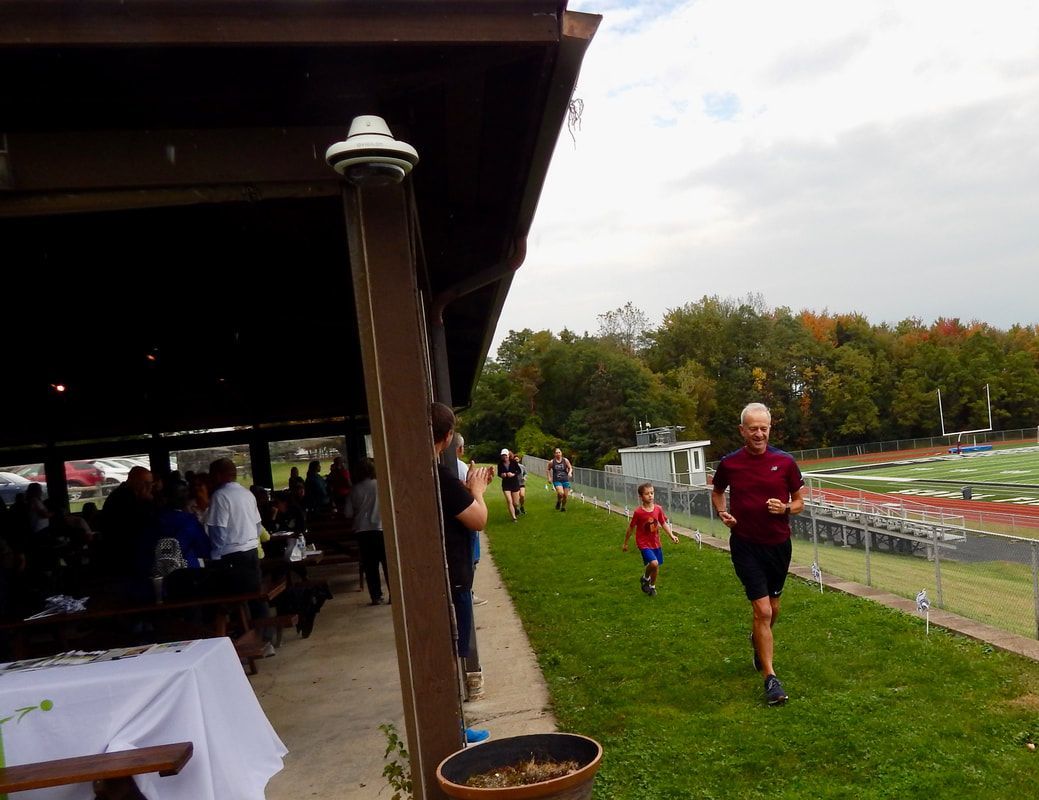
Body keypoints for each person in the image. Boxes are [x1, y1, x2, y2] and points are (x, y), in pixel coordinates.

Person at [711, 402, 805, 706]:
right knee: (762, 611)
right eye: (753, 428)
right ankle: (770, 678)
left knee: (774, 608)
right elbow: (717, 491)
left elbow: (800, 500)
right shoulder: (730, 463)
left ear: (769, 428)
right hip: (745, 544)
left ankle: (758, 643)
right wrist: (723, 512)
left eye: (763, 428)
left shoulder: (786, 462)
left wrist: (786, 508)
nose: (759, 433)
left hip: (778, 545)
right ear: (742, 431)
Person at [431, 402, 494, 743]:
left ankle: (451, 726)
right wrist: (478, 492)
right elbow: (478, 519)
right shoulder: (440, 476)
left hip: (441, 577)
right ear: (449, 436)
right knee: (452, 652)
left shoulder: (420, 471)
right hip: (452, 580)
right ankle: (452, 730)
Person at [206, 458, 274, 656]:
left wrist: (215, 555)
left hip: (232, 556)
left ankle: (232, 643)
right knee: (255, 597)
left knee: (223, 600)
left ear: (218, 475)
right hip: (252, 551)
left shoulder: (220, 496)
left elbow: (218, 530)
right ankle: (265, 639)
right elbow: (256, 525)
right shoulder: (247, 494)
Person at [622, 482, 679, 597]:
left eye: (652, 493)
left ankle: (652, 587)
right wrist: (625, 543)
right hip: (643, 543)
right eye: (647, 494)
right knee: (654, 563)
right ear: (641, 497)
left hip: (655, 542)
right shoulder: (638, 512)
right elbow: (631, 528)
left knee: (656, 566)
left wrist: (672, 535)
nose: (650, 496)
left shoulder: (658, 509)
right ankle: (645, 578)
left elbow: (663, 523)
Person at [344, 459, 388, 606]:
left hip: (363, 531)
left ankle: (376, 596)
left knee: (370, 566)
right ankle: (394, 594)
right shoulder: (380, 485)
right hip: (381, 528)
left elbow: (348, 513)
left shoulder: (354, 490)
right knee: (387, 564)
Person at [497, 448, 521, 522]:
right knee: (509, 500)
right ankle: (514, 518)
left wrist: (513, 474)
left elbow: (519, 471)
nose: (504, 457)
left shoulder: (514, 462)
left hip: (514, 483)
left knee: (515, 503)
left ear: (508, 455)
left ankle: (516, 508)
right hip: (506, 484)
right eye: (503, 456)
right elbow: (499, 474)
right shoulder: (500, 464)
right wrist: (502, 475)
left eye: (506, 455)